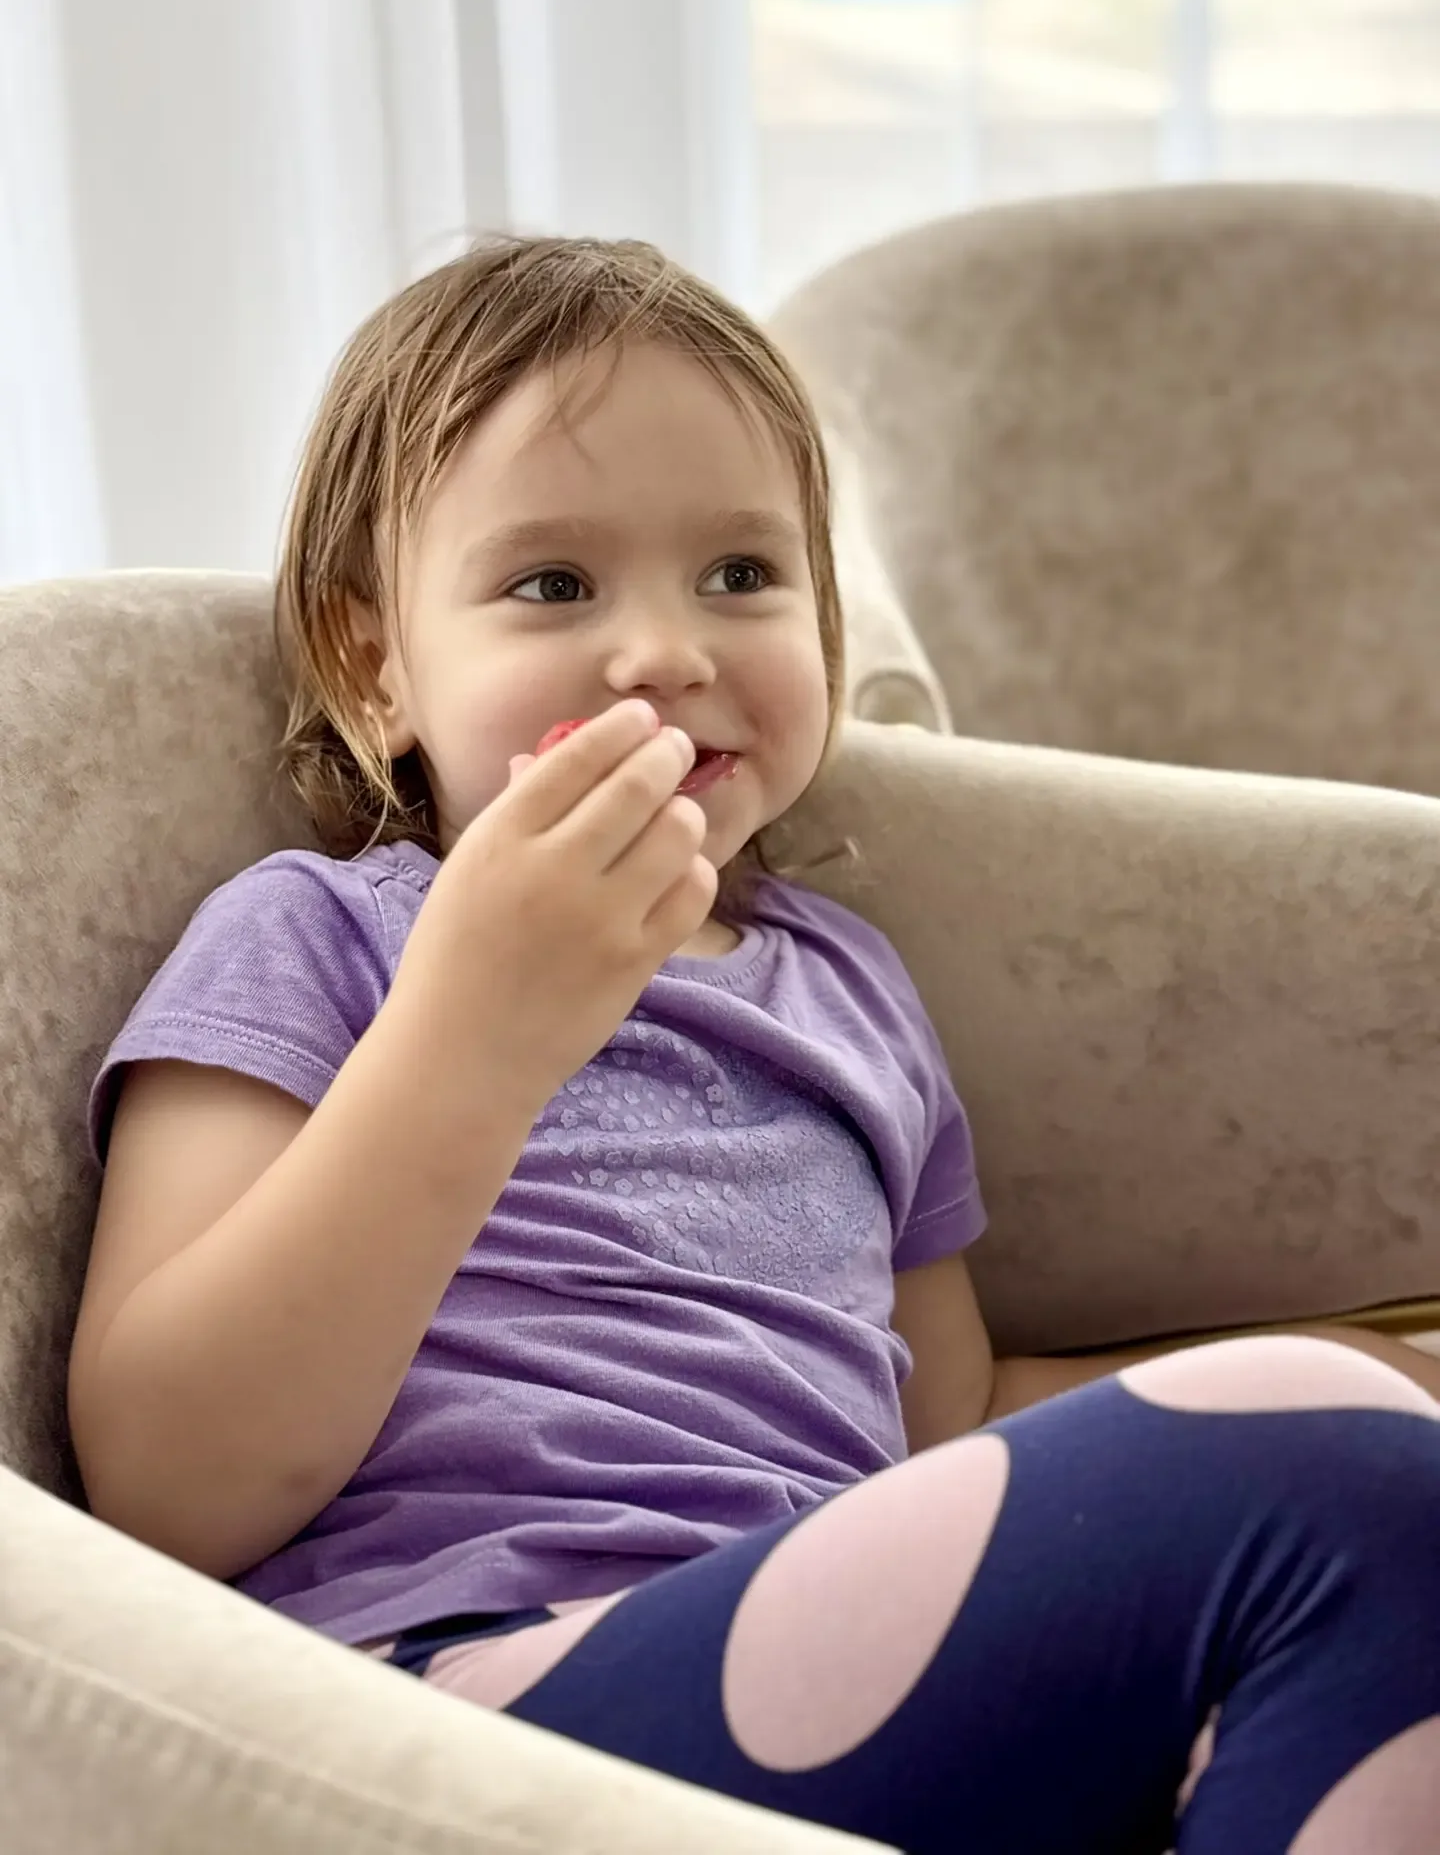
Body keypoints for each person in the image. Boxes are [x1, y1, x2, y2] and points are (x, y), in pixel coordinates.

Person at [70, 236, 1440, 1854]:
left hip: (842, 1693)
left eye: (739, 574)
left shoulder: (851, 986)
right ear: (376, 667)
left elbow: (945, 1414)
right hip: (452, 1702)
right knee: (1348, 1488)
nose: (669, 651)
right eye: (553, 585)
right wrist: (470, 1034)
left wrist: (1378, 1377)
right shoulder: (319, 935)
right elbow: (167, 1485)